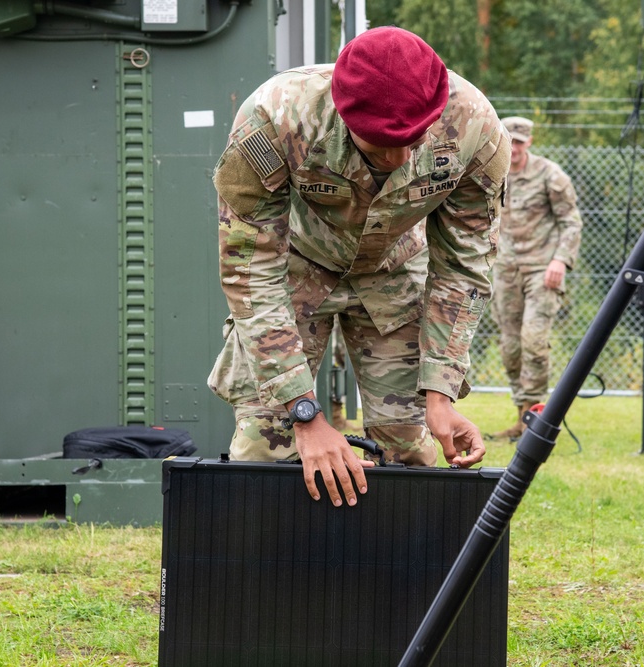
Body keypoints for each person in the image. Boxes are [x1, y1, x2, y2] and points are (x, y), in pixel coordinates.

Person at [207, 27, 510, 506]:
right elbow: (250, 268)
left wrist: (440, 395)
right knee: (266, 444)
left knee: (409, 450)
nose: (399, 159)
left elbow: (463, 268)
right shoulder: (276, 117)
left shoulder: (476, 131)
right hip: (295, 270)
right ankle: (272, 576)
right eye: (378, 146)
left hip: (394, 272)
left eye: (413, 142)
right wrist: (304, 414)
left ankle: (397, 579)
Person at [491, 116, 583, 439]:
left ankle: (534, 418)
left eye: (519, 141)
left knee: (533, 340)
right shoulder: (491, 170)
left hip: (542, 271)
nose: (513, 147)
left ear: (528, 142)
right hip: (505, 270)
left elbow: (571, 222)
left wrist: (561, 260)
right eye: (509, 140)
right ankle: (521, 416)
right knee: (511, 347)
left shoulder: (549, 175)